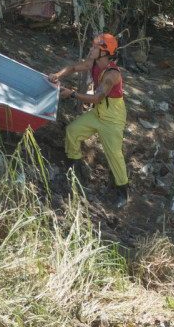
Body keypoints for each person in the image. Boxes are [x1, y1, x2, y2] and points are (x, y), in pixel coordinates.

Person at [48, 33, 130, 208]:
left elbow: (97, 98)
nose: (91, 49)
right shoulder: (93, 64)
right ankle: (72, 172)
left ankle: (123, 193)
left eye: (95, 48)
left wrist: (72, 94)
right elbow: (74, 68)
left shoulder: (112, 75)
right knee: (72, 131)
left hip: (112, 119)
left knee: (114, 154)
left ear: (104, 53)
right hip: (98, 113)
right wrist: (57, 75)